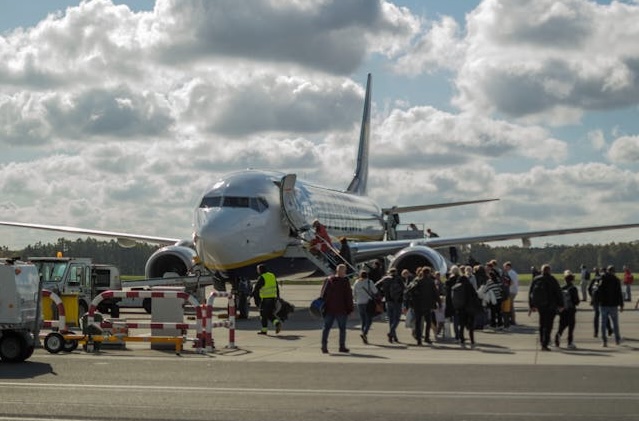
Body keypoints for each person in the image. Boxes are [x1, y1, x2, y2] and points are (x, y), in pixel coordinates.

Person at [528, 264, 563, 351]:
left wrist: (531, 305)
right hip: (551, 306)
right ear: (549, 271)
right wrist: (561, 304)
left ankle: (541, 341)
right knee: (548, 325)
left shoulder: (536, 279)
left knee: (542, 324)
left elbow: (531, 293)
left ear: (541, 270)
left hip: (540, 306)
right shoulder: (552, 279)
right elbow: (558, 293)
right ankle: (545, 343)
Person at [320, 264, 354, 353]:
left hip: (329, 309)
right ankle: (341, 346)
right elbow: (348, 297)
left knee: (326, 328)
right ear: (342, 271)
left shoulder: (329, 280)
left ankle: (324, 346)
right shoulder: (345, 281)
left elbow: (323, 294)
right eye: (344, 271)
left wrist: (322, 306)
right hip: (341, 310)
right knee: (342, 329)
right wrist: (350, 309)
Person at [404, 266, 439, 345]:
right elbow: (435, 293)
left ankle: (419, 339)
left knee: (418, 322)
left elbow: (408, 291)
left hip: (418, 304)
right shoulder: (431, 282)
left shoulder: (417, 281)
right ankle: (427, 337)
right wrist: (438, 302)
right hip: (428, 304)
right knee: (428, 322)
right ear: (429, 273)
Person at [451, 266, 480, 348]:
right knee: (471, 326)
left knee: (462, 325)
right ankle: (472, 340)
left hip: (461, 308)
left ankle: (461, 338)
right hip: (470, 308)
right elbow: (475, 296)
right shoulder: (469, 286)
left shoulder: (457, 287)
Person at [375, 267, 405, 343]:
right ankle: (391, 333)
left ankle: (392, 337)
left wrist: (382, 293)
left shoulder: (385, 279)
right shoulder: (399, 279)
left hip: (388, 301)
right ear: (396, 272)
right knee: (397, 319)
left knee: (391, 320)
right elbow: (404, 288)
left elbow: (376, 285)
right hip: (398, 301)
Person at [598, 265, 624, 347]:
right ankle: (617, 340)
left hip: (604, 304)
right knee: (615, 323)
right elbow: (619, 293)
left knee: (603, 323)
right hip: (613, 304)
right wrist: (621, 304)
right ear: (613, 271)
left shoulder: (602, 278)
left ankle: (604, 341)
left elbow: (599, 290)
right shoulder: (616, 280)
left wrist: (598, 301)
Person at [252, 264, 282, 335]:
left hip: (265, 299)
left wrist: (250, 296)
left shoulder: (262, 277)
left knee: (263, 315)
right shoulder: (272, 275)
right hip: (273, 298)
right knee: (269, 314)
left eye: (258, 269)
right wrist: (278, 297)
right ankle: (277, 323)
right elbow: (276, 287)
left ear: (260, 270)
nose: (257, 271)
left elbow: (256, 289)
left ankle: (264, 330)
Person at [555, 270, 580, 349]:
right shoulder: (573, 288)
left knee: (562, 325)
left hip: (563, 310)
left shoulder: (561, 288)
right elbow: (576, 301)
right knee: (571, 326)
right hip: (571, 310)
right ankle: (570, 342)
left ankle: (558, 335)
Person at [352, 271, 377, 344]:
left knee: (363, 320)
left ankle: (364, 334)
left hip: (359, 303)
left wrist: (356, 300)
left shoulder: (356, 282)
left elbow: (354, 293)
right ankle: (364, 333)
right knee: (369, 320)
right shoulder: (369, 282)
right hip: (367, 303)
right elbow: (375, 291)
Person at [503, 261, 519, 326]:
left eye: (505, 267)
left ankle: (513, 320)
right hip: (513, 290)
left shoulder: (510, 273)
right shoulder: (513, 272)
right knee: (510, 305)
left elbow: (511, 282)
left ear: (508, 266)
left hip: (511, 291)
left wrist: (506, 286)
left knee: (510, 306)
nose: (504, 268)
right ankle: (511, 319)